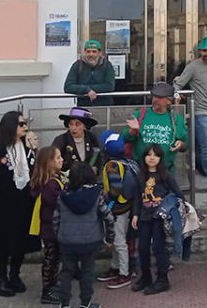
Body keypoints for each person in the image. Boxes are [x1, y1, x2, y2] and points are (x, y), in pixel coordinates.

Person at [0, 111, 41, 298]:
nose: (25, 127)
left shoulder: (25, 145)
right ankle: (1, 278)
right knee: (2, 242)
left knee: (21, 240)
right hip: (2, 202)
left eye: (25, 124)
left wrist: (34, 149)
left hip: (23, 200)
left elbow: (32, 169)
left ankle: (15, 275)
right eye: (21, 124)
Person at [54, 162, 114, 308]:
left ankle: (64, 304)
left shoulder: (62, 196)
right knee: (87, 272)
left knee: (66, 272)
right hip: (91, 240)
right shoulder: (96, 195)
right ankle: (85, 303)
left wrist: (59, 235)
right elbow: (108, 217)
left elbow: (55, 219)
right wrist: (109, 238)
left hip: (67, 241)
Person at [173, 37, 207, 192]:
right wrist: (178, 97)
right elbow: (178, 84)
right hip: (199, 111)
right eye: (204, 50)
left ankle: (205, 166)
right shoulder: (192, 66)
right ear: (199, 52)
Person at [131, 145, 185, 295]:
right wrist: (135, 214)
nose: (152, 157)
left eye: (155, 155)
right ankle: (146, 276)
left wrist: (174, 210)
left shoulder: (165, 175)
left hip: (160, 217)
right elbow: (137, 197)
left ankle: (162, 279)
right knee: (142, 247)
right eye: (149, 154)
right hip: (144, 216)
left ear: (160, 158)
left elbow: (178, 193)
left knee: (158, 247)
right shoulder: (140, 175)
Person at [97, 131, 138, 289]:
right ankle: (115, 267)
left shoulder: (111, 166)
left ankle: (124, 273)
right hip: (126, 206)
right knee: (116, 240)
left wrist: (106, 202)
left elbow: (114, 191)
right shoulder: (127, 162)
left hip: (118, 209)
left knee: (119, 241)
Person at [122, 82, 188, 173]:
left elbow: (185, 145)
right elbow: (123, 138)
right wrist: (132, 131)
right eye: (154, 96)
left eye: (159, 98)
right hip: (141, 171)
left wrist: (181, 144)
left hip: (165, 173)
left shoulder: (176, 120)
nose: (155, 100)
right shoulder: (140, 115)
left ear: (168, 101)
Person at [29, 146, 66, 305]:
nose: (61, 160)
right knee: (51, 258)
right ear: (49, 162)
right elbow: (59, 201)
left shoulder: (53, 180)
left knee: (55, 257)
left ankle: (52, 284)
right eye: (57, 158)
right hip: (50, 227)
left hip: (53, 227)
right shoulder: (50, 185)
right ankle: (47, 290)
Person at [63, 39, 116, 107]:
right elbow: (68, 87)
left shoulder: (107, 65)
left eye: (94, 52)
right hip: (84, 107)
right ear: (84, 52)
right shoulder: (77, 65)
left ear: (100, 53)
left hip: (104, 107)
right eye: (88, 51)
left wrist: (89, 89)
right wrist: (86, 90)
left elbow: (109, 86)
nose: (91, 54)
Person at [52, 107, 103, 174]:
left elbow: (98, 157)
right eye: (71, 124)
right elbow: (52, 159)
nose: (73, 128)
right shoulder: (61, 140)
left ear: (84, 126)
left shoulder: (91, 138)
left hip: (88, 179)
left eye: (77, 124)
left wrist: (95, 168)